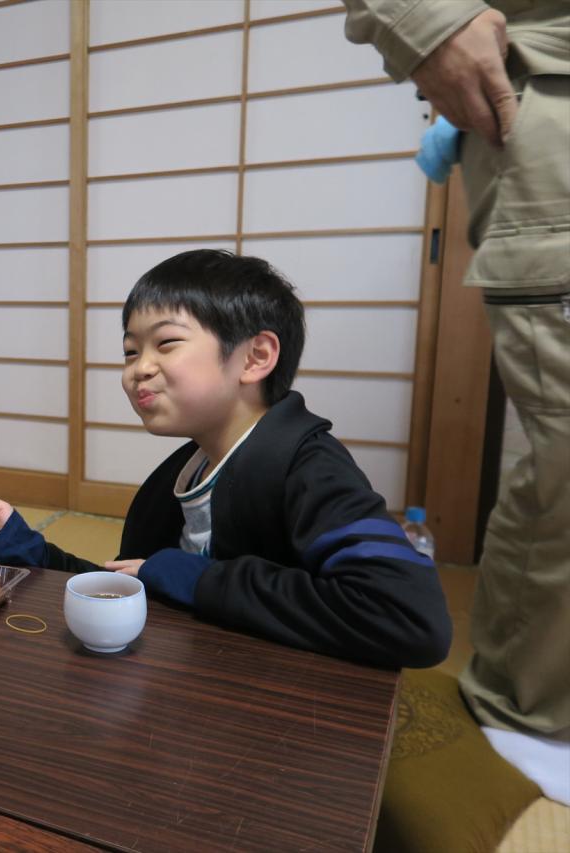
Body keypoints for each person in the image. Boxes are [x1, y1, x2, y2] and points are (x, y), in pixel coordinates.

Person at [0, 249, 452, 669]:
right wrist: (25, 552)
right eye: (131, 352)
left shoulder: (309, 466)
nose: (138, 370)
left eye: (165, 343)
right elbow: (143, 586)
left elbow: (410, 617)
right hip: (196, 690)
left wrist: (201, 579)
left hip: (287, 726)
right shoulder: (180, 473)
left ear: (256, 357)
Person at [342, 0, 569, 739]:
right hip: (548, 89)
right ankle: (524, 720)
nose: (140, 372)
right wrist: (424, 18)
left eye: (160, 346)